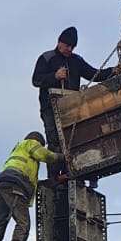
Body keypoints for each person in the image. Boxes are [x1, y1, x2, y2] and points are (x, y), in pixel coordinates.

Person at [30, 26, 110, 161]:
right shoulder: (47, 58)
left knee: (74, 140)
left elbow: (94, 74)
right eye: (68, 46)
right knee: (54, 141)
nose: (70, 49)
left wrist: (112, 71)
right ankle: (55, 178)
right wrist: (54, 76)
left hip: (71, 106)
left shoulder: (76, 60)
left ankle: (71, 170)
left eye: (72, 47)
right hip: (50, 108)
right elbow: (36, 80)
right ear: (59, 42)